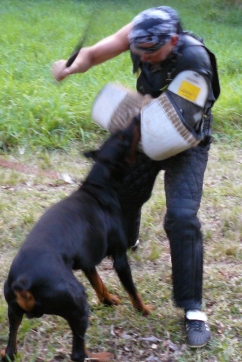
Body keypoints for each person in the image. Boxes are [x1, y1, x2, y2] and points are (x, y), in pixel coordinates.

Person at [52, 6, 220, 348]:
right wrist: (73, 65)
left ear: (172, 41)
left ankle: (193, 310)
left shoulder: (195, 61)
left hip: (186, 139)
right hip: (145, 129)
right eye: (137, 50)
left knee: (182, 218)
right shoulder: (141, 33)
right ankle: (126, 242)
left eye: (151, 52)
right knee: (122, 196)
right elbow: (96, 52)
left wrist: (141, 119)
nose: (143, 56)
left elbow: (180, 123)